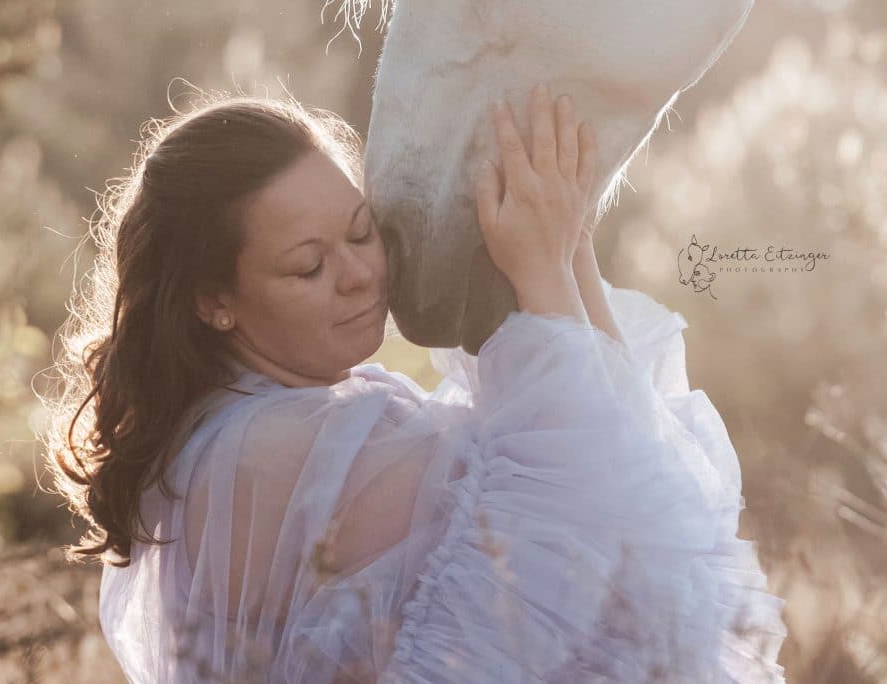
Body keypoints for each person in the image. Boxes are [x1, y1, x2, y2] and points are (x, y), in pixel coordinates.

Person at [40, 85, 788, 683]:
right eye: (309, 266)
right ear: (214, 300)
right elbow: (610, 510)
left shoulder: (229, 430)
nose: (360, 274)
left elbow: (618, 463)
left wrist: (570, 244)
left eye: (362, 233)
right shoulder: (273, 449)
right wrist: (545, 267)